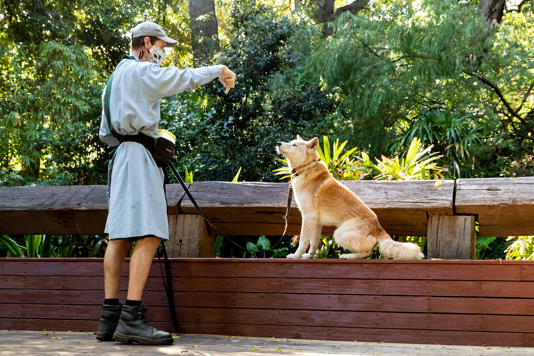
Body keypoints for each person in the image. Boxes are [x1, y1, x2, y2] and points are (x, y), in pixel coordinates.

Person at [96, 21, 235, 345]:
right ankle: (131, 318)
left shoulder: (113, 79)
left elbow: (106, 133)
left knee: (118, 237)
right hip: (139, 159)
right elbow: (182, 78)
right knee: (150, 234)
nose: (164, 53)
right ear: (146, 42)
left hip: (120, 159)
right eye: (162, 46)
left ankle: (109, 318)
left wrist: (134, 138)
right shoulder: (142, 71)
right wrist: (219, 69)